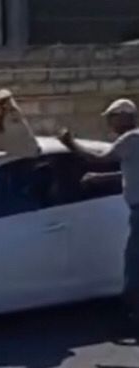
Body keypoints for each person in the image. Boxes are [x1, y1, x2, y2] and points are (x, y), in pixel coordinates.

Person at [59, 98, 139, 331]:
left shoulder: (131, 138)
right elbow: (128, 172)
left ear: (125, 116)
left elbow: (100, 158)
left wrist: (70, 143)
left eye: (112, 117)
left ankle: (134, 318)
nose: (109, 124)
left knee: (133, 267)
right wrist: (99, 178)